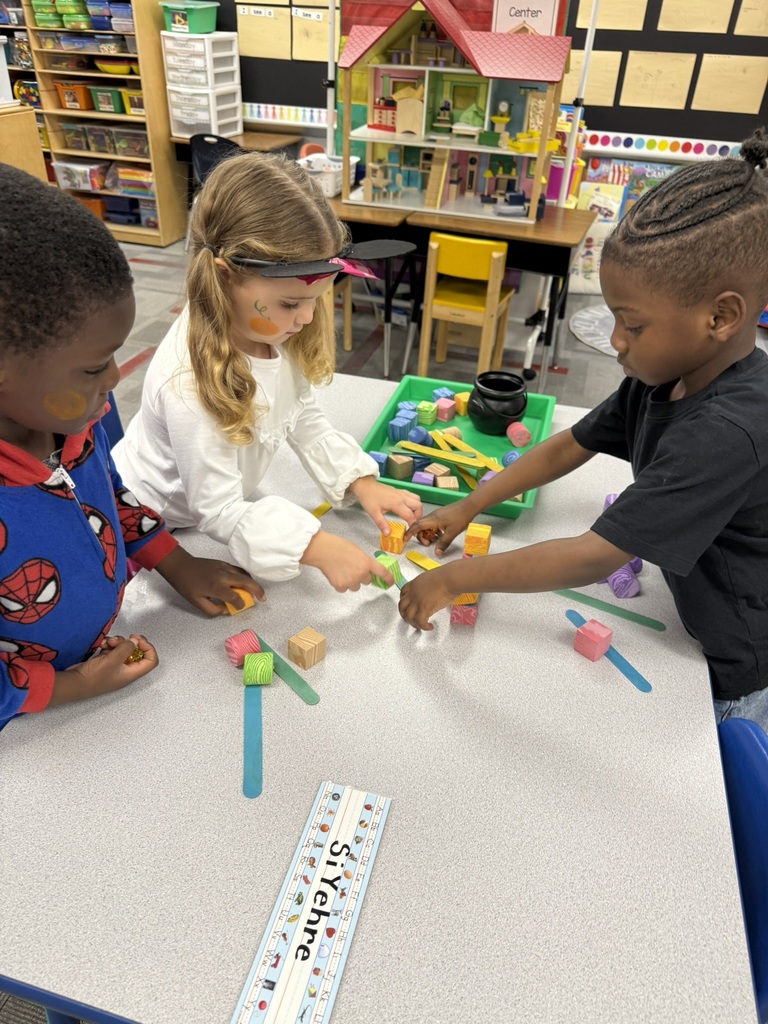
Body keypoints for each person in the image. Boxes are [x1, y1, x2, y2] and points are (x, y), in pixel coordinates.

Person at [399, 128, 768, 730]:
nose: (615, 342)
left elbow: (592, 557)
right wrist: (470, 504)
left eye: (633, 326)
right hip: (691, 613)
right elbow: (568, 446)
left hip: (730, 658)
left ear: (720, 316)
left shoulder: (726, 428)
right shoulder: (665, 376)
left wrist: (454, 577)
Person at [0, 164, 265, 733]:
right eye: (96, 365)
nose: (116, 377)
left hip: (103, 662)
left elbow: (108, 503)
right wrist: (71, 687)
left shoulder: (75, 414)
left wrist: (177, 563)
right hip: (40, 729)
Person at [113, 152, 421, 592]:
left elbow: (303, 417)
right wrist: (315, 547)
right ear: (224, 278)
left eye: (316, 300)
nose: (308, 319)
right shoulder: (188, 384)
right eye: (292, 304)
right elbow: (216, 508)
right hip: (149, 517)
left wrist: (361, 480)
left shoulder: (270, 329)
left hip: (210, 504)